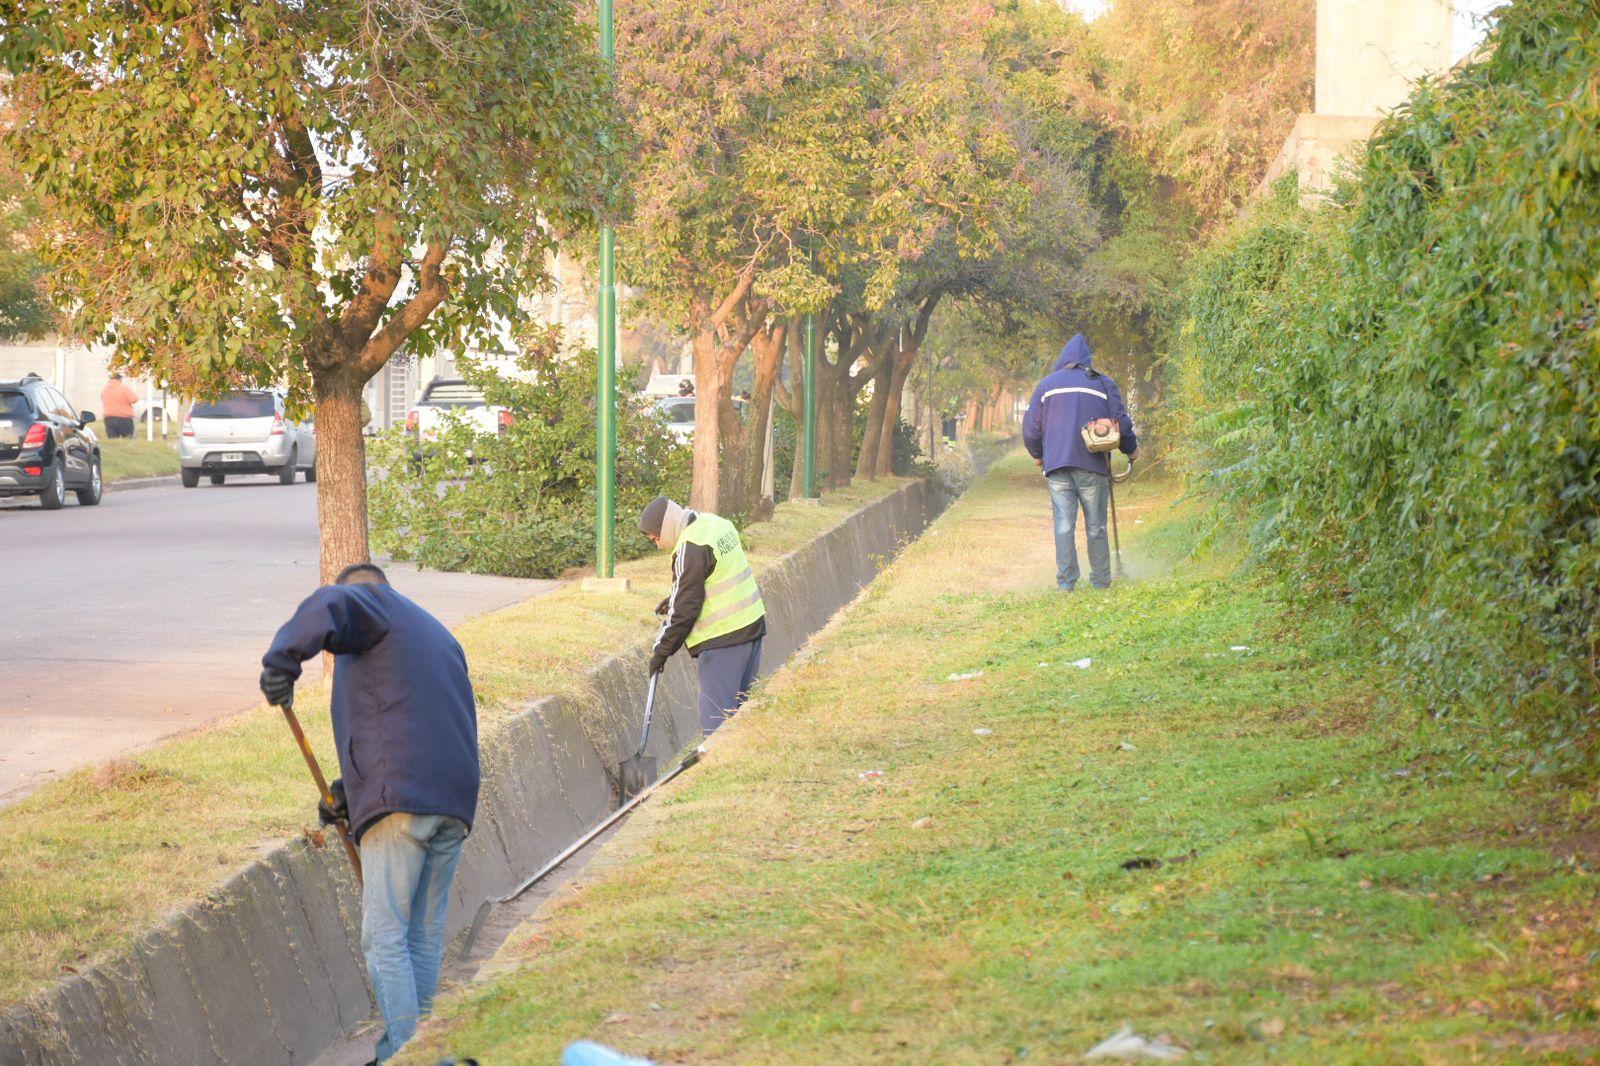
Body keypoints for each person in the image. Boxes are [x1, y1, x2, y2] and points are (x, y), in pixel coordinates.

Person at [258, 563, 479, 1065]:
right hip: (451, 803)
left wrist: (282, 661)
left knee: (384, 939)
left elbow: (332, 603)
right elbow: (410, 720)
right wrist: (347, 795)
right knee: (419, 940)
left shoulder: (374, 604)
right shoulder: (435, 634)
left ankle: (412, 1058)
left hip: (401, 802)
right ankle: (410, 1052)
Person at [640, 496, 766, 736]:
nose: (654, 542)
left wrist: (661, 651)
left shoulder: (690, 546)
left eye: (654, 537)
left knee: (716, 724)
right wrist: (675, 597)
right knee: (742, 719)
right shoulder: (716, 524)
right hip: (752, 628)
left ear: (666, 528)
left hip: (724, 641)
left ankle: (719, 770)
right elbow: (715, 572)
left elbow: (685, 611)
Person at [1022, 333, 1137, 591]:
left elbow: (1030, 428)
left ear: (1063, 359)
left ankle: (1066, 583)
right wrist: (1131, 450)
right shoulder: (1102, 383)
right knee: (1096, 526)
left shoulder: (1046, 385)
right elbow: (1120, 420)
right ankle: (1100, 581)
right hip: (1093, 465)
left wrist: (1038, 454)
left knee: (1063, 526)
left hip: (1057, 467)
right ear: (1087, 360)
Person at [100, 373, 138, 439]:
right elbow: (133, 399)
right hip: (124, 418)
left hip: (109, 418)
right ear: (119, 379)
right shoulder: (123, 388)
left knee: (112, 442)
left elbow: (102, 398)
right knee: (127, 440)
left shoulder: (105, 390)